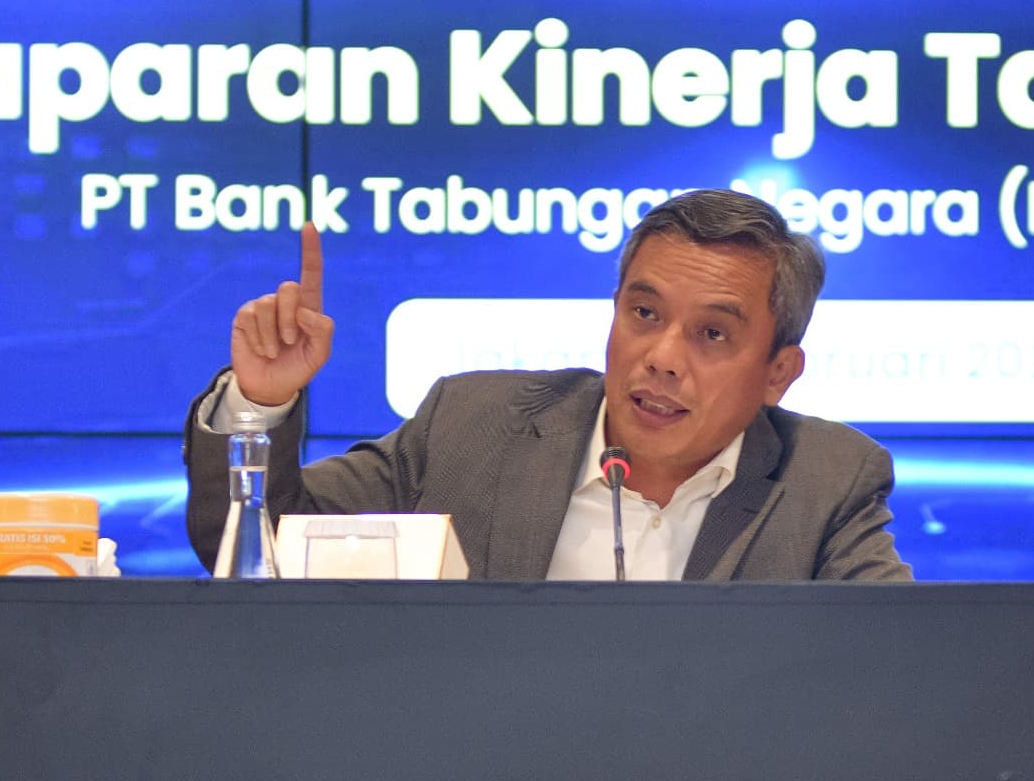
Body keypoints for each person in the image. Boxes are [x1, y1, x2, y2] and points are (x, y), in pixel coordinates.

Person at [183, 189, 910, 581]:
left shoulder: (825, 483)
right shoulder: (473, 426)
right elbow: (261, 548)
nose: (662, 357)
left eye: (712, 334)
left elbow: (899, 663)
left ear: (778, 374)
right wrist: (261, 402)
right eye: (644, 314)